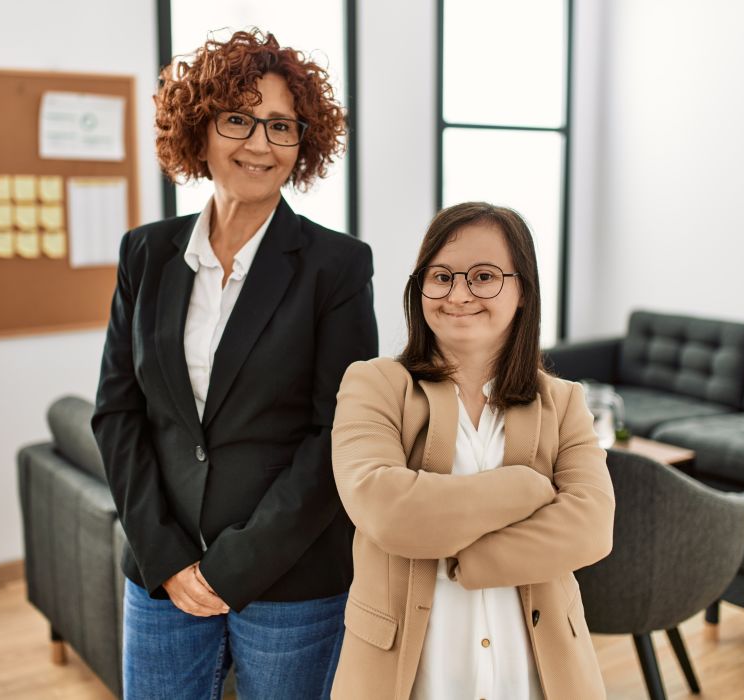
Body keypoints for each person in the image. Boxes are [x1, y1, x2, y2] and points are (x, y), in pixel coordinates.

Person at [92, 29, 378, 699]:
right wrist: (165, 557)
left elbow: (337, 434)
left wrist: (233, 567)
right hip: (162, 572)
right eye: (239, 119)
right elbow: (117, 412)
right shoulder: (146, 253)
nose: (260, 144)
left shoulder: (337, 267)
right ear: (200, 129)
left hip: (290, 578)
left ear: (304, 143)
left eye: (281, 125)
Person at [330, 202, 615, 699]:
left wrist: (461, 556)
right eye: (441, 276)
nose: (458, 294)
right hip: (409, 678)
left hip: (536, 678)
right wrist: (524, 488)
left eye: (484, 276)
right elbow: (386, 510)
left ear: (522, 289)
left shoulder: (564, 401)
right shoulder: (373, 384)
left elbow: (591, 527)